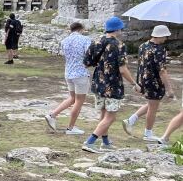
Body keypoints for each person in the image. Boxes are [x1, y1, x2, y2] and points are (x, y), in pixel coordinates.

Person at [81, 17, 140, 153]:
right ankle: (90, 142)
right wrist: (134, 83)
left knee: (104, 114)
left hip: (98, 82)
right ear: (118, 29)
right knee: (111, 116)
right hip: (113, 85)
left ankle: (106, 142)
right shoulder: (119, 45)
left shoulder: (96, 41)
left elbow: (86, 63)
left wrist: (101, 64)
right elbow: (123, 69)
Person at [121, 25, 176, 141]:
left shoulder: (143, 45)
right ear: (160, 36)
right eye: (165, 36)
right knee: (153, 107)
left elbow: (141, 64)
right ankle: (148, 133)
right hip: (154, 82)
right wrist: (169, 88)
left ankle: (130, 120)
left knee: (152, 104)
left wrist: (137, 82)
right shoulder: (160, 49)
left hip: (144, 79)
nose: (166, 39)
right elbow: (162, 71)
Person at [44, 22, 92, 135]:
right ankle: (71, 127)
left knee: (72, 98)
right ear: (82, 29)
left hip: (68, 72)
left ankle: (52, 115)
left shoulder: (64, 41)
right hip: (80, 73)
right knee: (79, 101)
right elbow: (89, 55)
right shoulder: (85, 39)